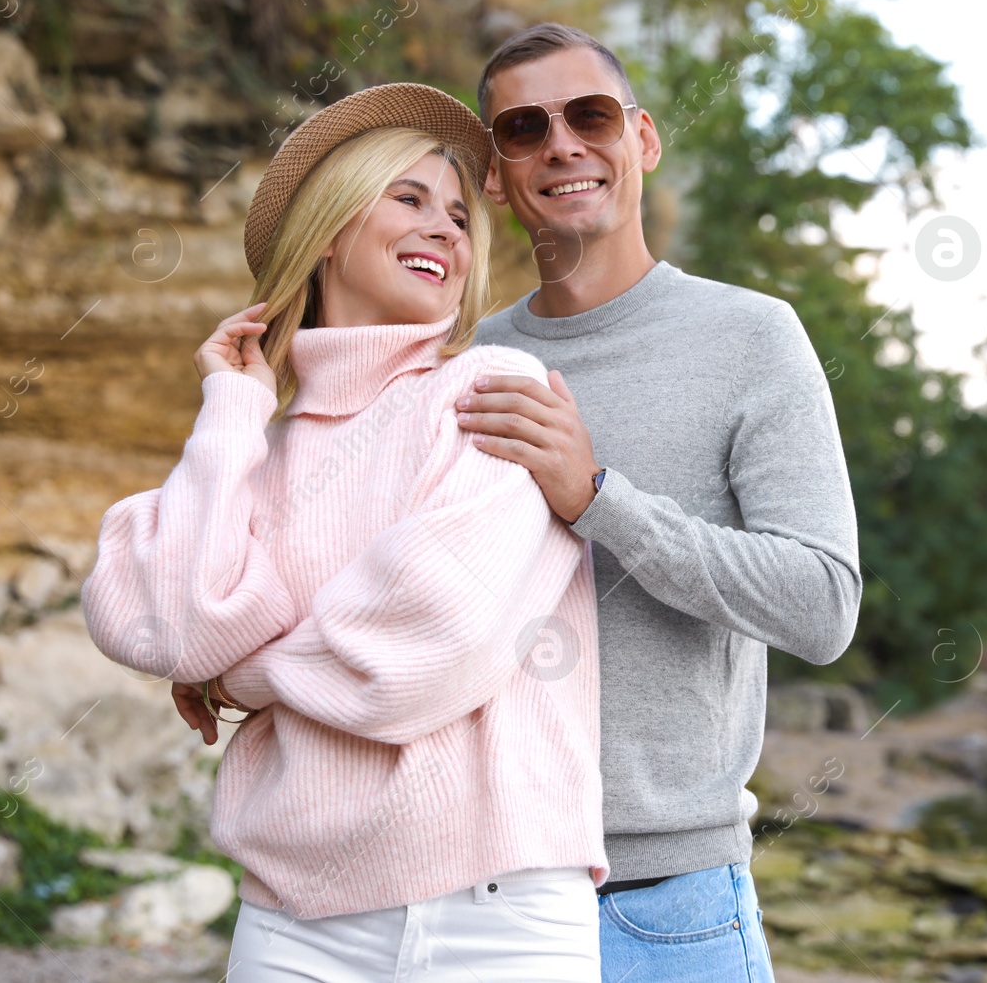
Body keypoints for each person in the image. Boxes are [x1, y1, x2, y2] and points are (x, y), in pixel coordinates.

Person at [81, 82, 607, 982]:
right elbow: (164, 622)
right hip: (293, 921)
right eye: (407, 198)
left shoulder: (488, 390)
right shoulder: (252, 445)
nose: (445, 227)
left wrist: (237, 668)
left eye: (456, 215)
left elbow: (426, 645)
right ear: (328, 228)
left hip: (497, 910)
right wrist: (234, 405)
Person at [452, 23, 862, 980]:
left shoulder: (754, 337)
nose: (562, 144)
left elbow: (823, 605)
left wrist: (598, 499)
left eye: (589, 114)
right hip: (479, 898)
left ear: (642, 139)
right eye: (524, 128)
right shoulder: (462, 364)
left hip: (669, 913)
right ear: (496, 176)